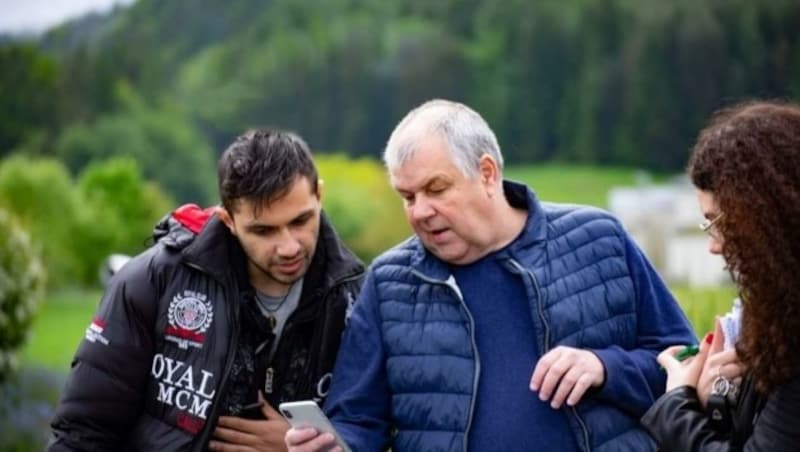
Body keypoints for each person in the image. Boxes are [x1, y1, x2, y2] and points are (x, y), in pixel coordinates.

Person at [286, 99, 696, 451]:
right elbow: (357, 419)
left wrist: (605, 367)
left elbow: (686, 363)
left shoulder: (599, 239)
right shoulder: (390, 282)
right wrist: (333, 444)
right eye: (408, 196)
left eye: (436, 188)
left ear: (486, 173)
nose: (420, 211)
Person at [49, 130, 365, 451]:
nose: (287, 246)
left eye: (300, 221)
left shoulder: (359, 299)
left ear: (319, 196)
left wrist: (303, 446)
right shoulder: (153, 280)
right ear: (226, 219)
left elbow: (375, 431)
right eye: (263, 230)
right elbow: (82, 433)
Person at [641, 101, 800, 449]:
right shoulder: (782, 318)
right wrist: (733, 395)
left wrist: (677, 403)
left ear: (765, 214)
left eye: (718, 222)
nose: (714, 246)